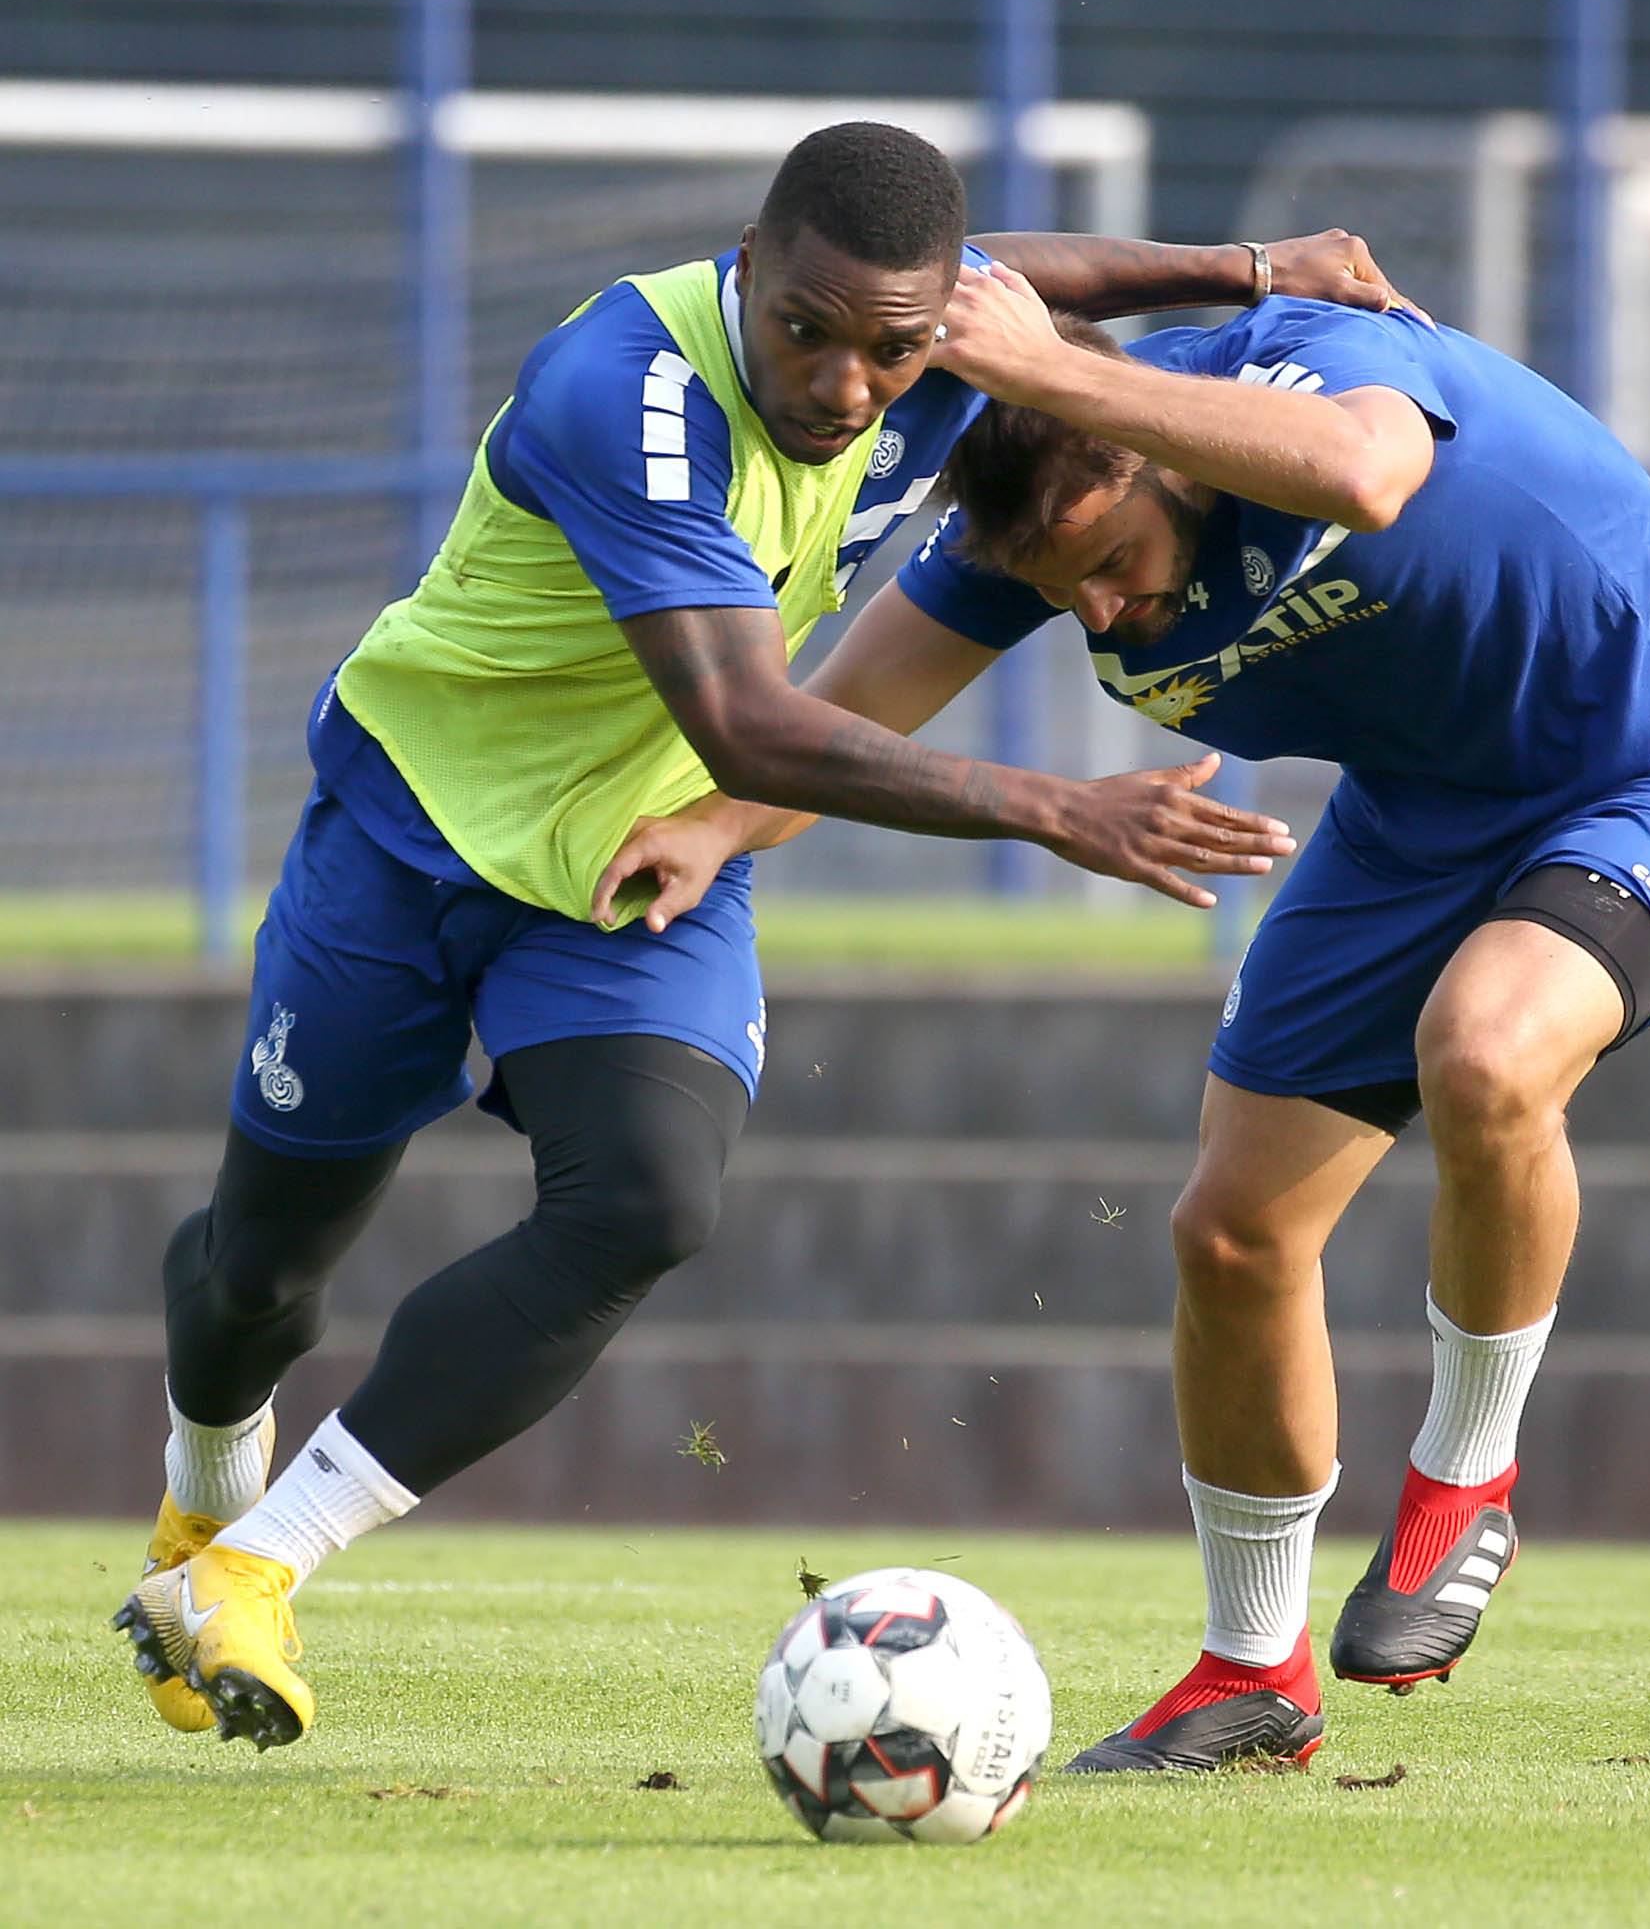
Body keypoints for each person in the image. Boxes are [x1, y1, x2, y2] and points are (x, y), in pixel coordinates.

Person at [113, 118, 1413, 1751]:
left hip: (641, 862)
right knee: (260, 1280)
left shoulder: (924, 333)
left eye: (892, 347)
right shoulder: (624, 393)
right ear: (749, 262)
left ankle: (255, 1569)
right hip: (411, 836)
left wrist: (1241, 271)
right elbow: (747, 727)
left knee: (648, 1198)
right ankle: (201, 1498)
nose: (845, 388)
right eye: (807, 331)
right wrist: (1055, 807)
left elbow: (1030, 276)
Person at [622, 254, 1650, 1772]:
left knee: (1485, 1048)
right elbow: (838, 725)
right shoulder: (1033, 507)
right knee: (1231, 1236)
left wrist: (1061, 374)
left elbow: (1368, 475)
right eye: (1062, 595)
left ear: (1147, 450)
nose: (1100, 610)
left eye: (1109, 557)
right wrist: (709, 832)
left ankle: (1466, 1477)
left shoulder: (1293, 372)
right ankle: (1252, 1678)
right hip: (1415, 822)